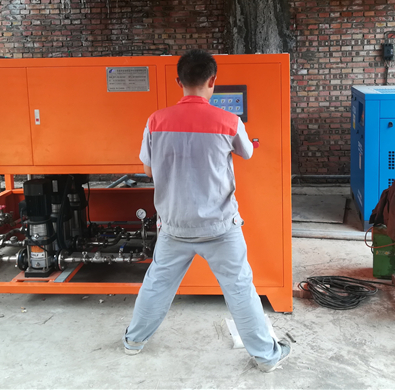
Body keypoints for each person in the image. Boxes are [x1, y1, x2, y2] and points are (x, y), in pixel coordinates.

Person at [122, 49, 291, 372]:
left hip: (174, 226)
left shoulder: (155, 121)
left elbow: (147, 170)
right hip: (220, 227)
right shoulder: (229, 121)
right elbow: (247, 152)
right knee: (240, 288)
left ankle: (133, 341)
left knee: (156, 285)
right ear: (213, 81)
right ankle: (267, 357)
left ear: (179, 81)